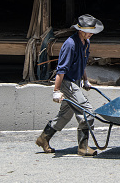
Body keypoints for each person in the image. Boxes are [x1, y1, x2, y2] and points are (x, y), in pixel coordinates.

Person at [35, 14, 104, 157]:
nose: (91, 34)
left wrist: (85, 80)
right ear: (80, 30)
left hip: (76, 81)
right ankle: (83, 147)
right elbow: (61, 70)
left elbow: (82, 63)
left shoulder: (86, 42)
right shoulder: (70, 44)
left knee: (64, 115)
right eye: (88, 31)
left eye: (92, 32)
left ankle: (43, 138)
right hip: (68, 83)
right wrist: (56, 90)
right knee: (87, 111)